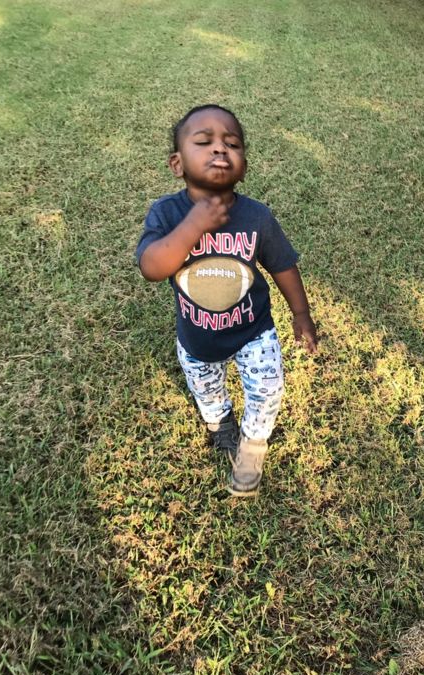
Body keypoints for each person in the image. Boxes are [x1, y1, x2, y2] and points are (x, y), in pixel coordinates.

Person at [135, 104, 317, 496]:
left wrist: (301, 313)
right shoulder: (167, 213)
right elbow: (152, 267)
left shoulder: (256, 217)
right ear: (177, 164)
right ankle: (221, 424)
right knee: (206, 389)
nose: (220, 148)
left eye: (232, 144)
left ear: (243, 167)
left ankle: (253, 443)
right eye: (204, 141)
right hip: (197, 335)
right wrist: (194, 224)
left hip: (254, 330)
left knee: (268, 389)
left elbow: (283, 265)